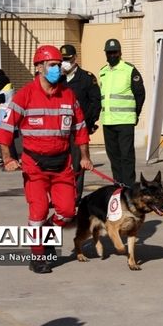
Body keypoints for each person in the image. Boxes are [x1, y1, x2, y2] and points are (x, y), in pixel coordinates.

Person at [0, 45, 93, 274]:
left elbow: (80, 129)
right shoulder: (25, 95)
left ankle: (48, 233)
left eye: (59, 65)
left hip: (62, 165)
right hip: (34, 166)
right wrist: (8, 158)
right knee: (38, 212)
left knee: (68, 212)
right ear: (39, 67)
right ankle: (38, 256)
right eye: (52, 65)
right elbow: (5, 129)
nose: (57, 69)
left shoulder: (68, 96)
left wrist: (85, 158)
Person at [99, 38, 145, 188]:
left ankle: (129, 187)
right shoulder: (103, 72)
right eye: (109, 53)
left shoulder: (129, 70)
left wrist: (135, 114)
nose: (112, 55)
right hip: (108, 121)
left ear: (120, 53)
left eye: (115, 52)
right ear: (106, 54)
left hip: (125, 121)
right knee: (113, 157)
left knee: (126, 157)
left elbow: (140, 94)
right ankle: (118, 186)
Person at [59, 44, 101, 205]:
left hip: (78, 129)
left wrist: (88, 123)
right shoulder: (58, 79)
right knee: (61, 165)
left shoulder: (86, 78)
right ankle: (61, 195)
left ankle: (75, 198)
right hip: (60, 130)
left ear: (75, 58)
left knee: (77, 165)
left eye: (68, 59)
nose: (65, 63)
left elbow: (95, 102)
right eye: (62, 60)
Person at [0, 69, 18, 162]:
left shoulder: (4, 93)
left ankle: (12, 161)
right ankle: (11, 160)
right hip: (10, 118)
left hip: (5, 120)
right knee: (10, 142)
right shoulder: (11, 89)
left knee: (7, 143)